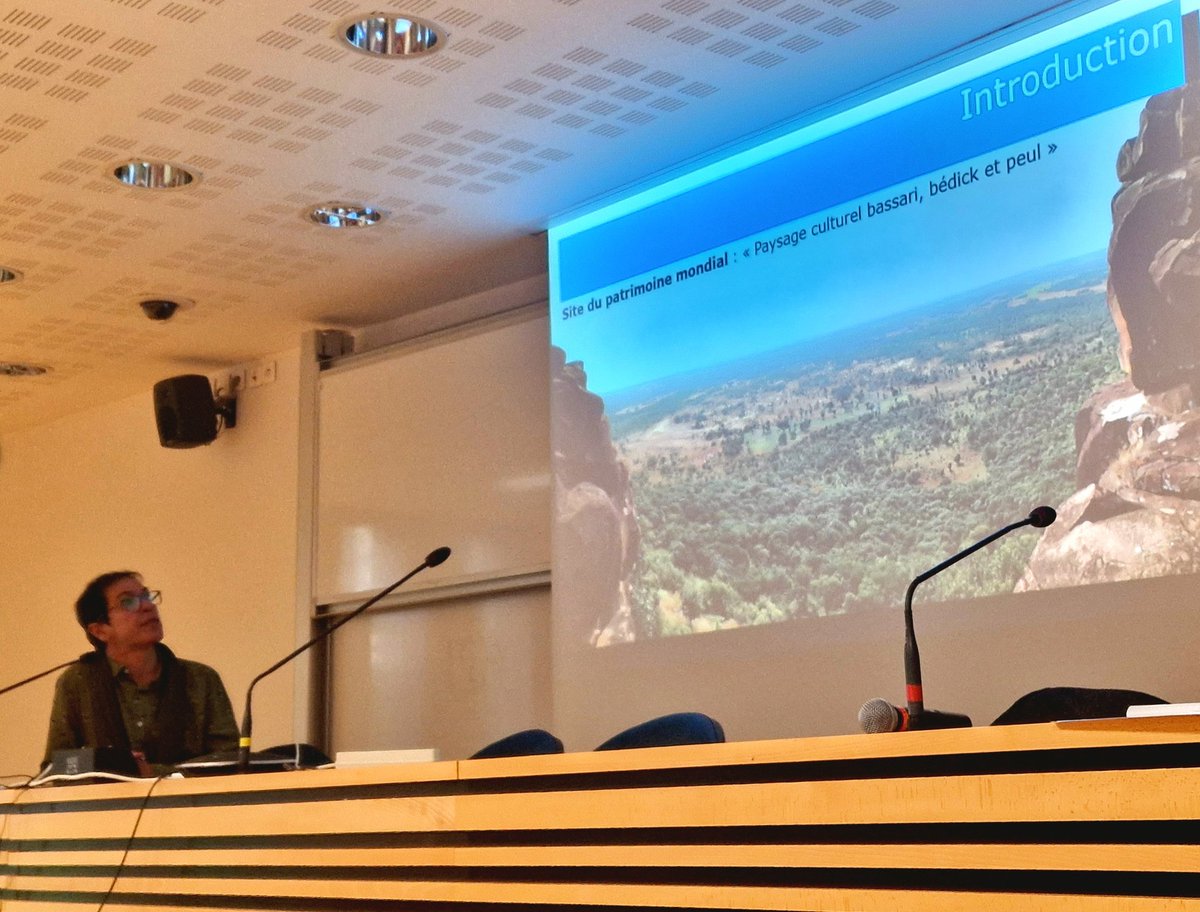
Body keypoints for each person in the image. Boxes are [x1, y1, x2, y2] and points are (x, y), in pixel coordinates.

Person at [42, 571, 238, 776]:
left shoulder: (200, 679)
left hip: (191, 805)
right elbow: (55, 768)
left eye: (146, 596)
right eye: (128, 602)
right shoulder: (77, 682)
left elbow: (231, 762)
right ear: (100, 630)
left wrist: (151, 772)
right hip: (108, 806)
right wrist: (110, 765)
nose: (147, 606)